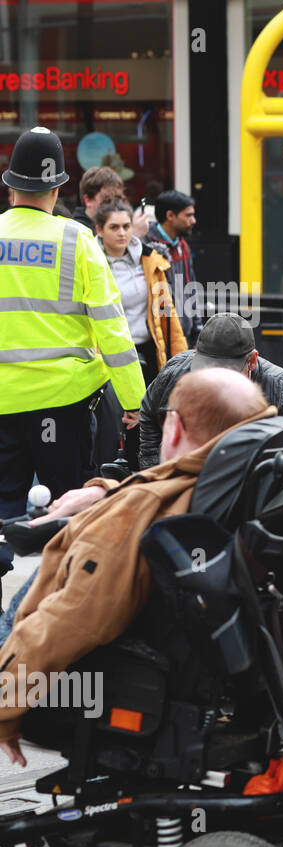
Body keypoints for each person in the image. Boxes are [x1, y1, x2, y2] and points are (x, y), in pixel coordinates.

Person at [0, 369, 270, 766]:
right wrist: (104, 491)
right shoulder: (243, 479)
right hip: (209, 677)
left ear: (172, 427)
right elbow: (170, 480)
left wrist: (5, 710)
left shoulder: (131, 521)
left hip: (109, 684)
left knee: (21, 615)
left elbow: (70, 621)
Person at [0, 127, 146, 585]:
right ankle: (63, 609)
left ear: (10, 186)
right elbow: (112, 328)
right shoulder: (78, 241)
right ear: (58, 187)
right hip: (63, 404)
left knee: (3, 508)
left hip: (3, 403)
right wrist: (133, 400)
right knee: (67, 508)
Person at [137, 312, 283, 469]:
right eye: (207, 371)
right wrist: (156, 469)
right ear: (196, 354)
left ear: (252, 361)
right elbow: (148, 411)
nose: (216, 382)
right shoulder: (176, 371)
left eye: (226, 373)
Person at [95, 198, 186, 388]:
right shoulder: (89, 263)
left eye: (126, 226)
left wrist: (182, 363)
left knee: (146, 414)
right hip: (107, 355)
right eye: (114, 227)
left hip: (149, 351)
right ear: (99, 230)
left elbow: (168, 315)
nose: (122, 233)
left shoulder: (150, 260)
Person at [147, 190, 199, 336]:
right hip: (161, 336)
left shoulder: (183, 246)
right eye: (188, 215)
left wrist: (197, 327)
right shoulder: (147, 246)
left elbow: (191, 287)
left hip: (184, 334)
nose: (193, 220)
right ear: (170, 216)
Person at [72, 166, 124, 232]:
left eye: (118, 199)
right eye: (107, 200)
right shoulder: (76, 230)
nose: (114, 205)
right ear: (88, 200)